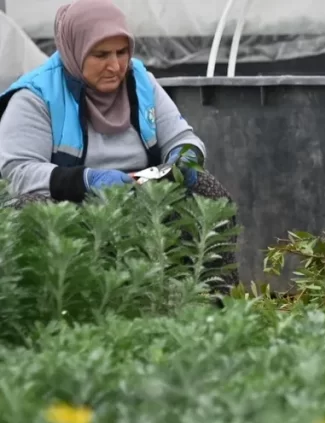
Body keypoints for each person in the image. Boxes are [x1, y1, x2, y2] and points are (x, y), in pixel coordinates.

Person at [0, 0, 238, 290]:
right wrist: (88, 180)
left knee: (207, 190)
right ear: (74, 51)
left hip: (141, 197)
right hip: (71, 204)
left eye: (121, 52)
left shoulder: (141, 81)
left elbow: (183, 138)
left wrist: (184, 159)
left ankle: (211, 303)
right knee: (26, 210)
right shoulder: (36, 96)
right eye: (100, 55)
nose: (115, 66)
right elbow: (18, 170)